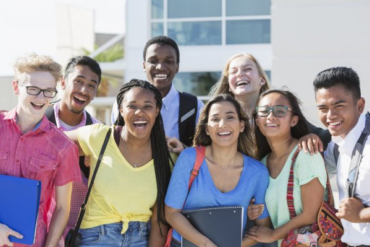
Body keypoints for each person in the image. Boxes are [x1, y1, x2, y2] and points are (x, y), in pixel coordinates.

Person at [65, 79, 172, 246]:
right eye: (132, 106)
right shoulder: (99, 137)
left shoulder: (165, 157)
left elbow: (159, 221)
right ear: (121, 109)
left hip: (141, 239)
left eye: (147, 106)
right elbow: (52, 146)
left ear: (157, 110)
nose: (139, 112)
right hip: (95, 237)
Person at [165, 94, 270, 247]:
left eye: (230, 117)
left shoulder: (258, 172)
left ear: (241, 125)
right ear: (207, 129)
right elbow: (171, 213)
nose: (222, 124)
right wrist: (206, 244)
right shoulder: (189, 158)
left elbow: (262, 227)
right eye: (215, 119)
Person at [0, 53, 80, 247]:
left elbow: (62, 208)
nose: (41, 98)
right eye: (33, 89)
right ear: (16, 87)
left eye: (48, 91)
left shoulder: (63, 147)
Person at [246, 89, 327, 245]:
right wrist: (255, 212)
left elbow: (311, 214)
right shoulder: (261, 164)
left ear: (293, 120)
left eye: (279, 111)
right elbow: (271, 220)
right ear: (257, 120)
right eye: (264, 111)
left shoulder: (306, 154)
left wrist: (272, 235)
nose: (270, 116)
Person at [111, 36, 204, 152]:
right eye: (153, 61)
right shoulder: (123, 104)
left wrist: (184, 149)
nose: (160, 67)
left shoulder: (194, 106)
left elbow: (206, 150)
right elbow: (115, 145)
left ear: (177, 67)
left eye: (169, 61)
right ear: (144, 66)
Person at [45, 56, 102, 239]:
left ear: (95, 94)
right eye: (78, 81)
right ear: (63, 82)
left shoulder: (99, 132)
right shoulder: (39, 122)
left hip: (81, 234)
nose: (84, 90)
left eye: (91, 86)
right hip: (41, 229)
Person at [313, 67, 370, 246]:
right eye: (323, 108)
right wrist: (311, 137)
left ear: (360, 105)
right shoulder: (337, 146)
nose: (330, 115)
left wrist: (362, 215)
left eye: (339, 106)